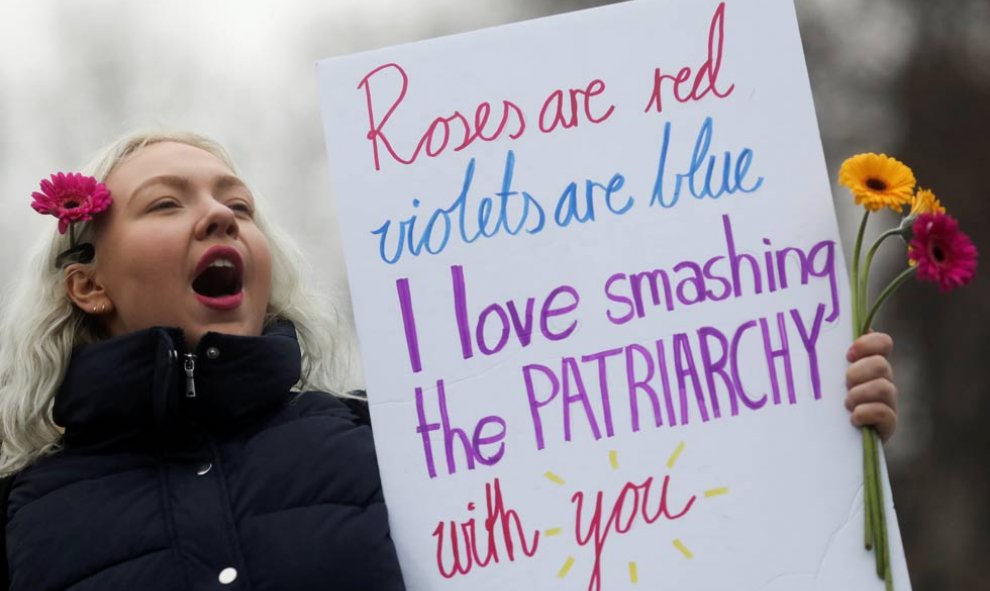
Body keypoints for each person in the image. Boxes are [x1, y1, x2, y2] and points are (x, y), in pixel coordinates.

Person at [0, 130, 898, 590]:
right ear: (88, 287)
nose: (221, 214)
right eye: (168, 202)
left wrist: (812, 419)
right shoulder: (21, 518)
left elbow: (638, 522)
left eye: (238, 201)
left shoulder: (390, 445)